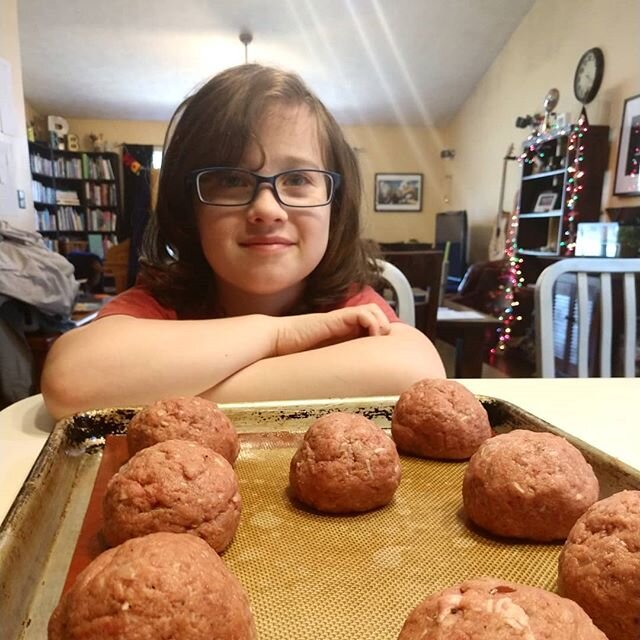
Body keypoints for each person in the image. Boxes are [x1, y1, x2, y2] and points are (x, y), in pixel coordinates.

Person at [42, 64, 445, 419]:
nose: (267, 208)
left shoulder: (345, 305)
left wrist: (187, 391)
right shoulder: (162, 302)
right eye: (232, 180)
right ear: (190, 208)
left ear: (334, 207)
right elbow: (70, 379)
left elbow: (417, 369)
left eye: (298, 179)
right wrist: (276, 335)